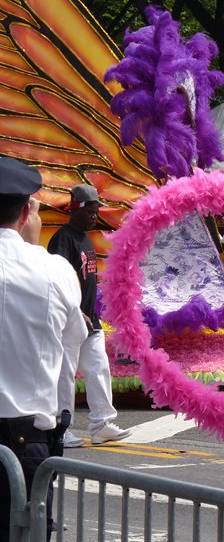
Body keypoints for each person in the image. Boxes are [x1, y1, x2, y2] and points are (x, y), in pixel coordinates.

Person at [0, 158, 87, 541]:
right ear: (26, 211)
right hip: (25, 440)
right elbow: (71, 343)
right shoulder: (55, 270)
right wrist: (32, 251)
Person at [48, 184, 130, 447]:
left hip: (90, 321)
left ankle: (101, 424)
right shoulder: (62, 239)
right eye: (91, 212)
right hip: (70, 319)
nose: (95, 217)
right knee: (65, 374)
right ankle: (62, 428)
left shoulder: (85, 238)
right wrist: (75, 311)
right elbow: (58, 281)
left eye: (97, 212)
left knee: (98, 369)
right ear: (76, 210)